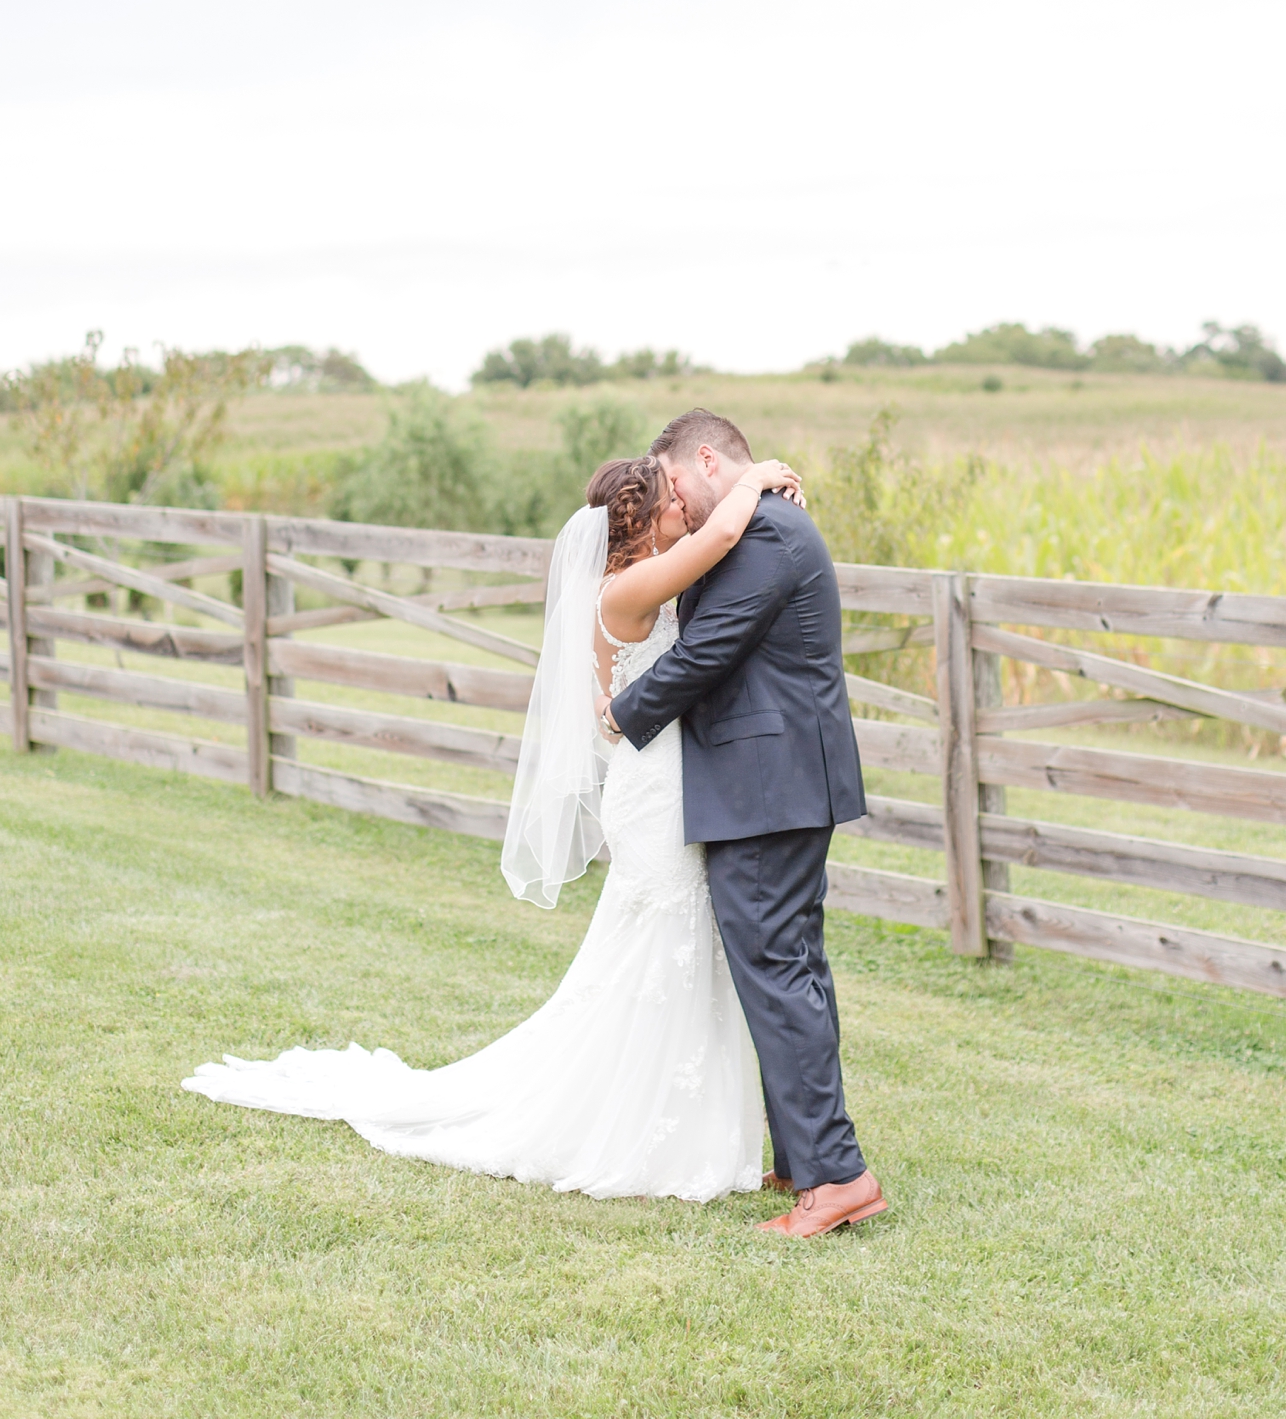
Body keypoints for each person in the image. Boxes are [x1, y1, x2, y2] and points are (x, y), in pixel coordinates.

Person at [182, 448, 804, 1203]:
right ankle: (645, 1131)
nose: (687, 503)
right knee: (663, 947)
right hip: (657, 793)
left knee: (674, 949)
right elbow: (721, 541)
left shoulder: (634, 578)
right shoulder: (633, 584)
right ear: (641, 521)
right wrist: (757, 474)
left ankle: (681, 1123)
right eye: (676, 496)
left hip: (663, 779)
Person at [602, 408, 885, 1238]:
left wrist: (620, 715)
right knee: (793, 966)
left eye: (678, 485)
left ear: (702, 459)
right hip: (774, 782)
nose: (675, 503)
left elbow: (707, 650)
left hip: (769, 786)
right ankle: (806, 1160)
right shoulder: (756, 520)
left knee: (776, 968)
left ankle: (837, 1177)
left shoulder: (768, 533)